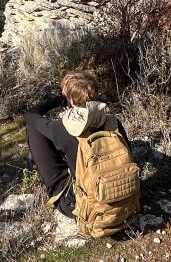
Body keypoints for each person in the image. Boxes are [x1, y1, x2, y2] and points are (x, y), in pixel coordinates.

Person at [23, 70, 125, 216]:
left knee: (33, 128)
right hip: (124, 198)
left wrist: (58, 100)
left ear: (70, 100)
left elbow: (30, 115)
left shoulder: (62, 129)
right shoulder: (113, 122)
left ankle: (58, 190)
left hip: (85, 208)